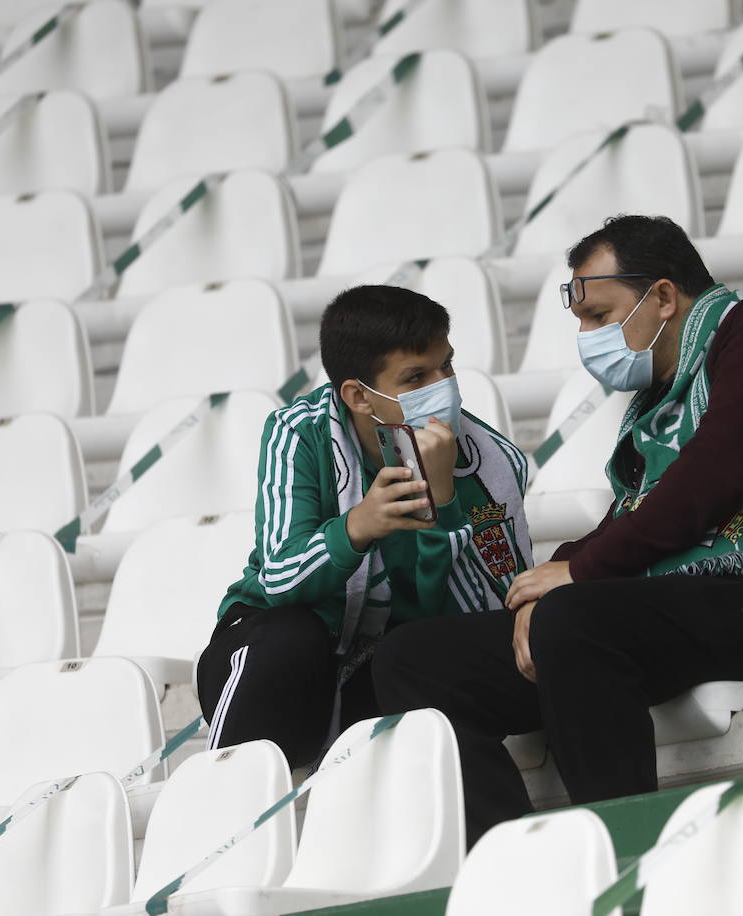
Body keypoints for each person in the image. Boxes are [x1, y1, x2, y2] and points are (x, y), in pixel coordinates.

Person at [372, 214, 743, 844]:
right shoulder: (660, 402)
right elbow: (634, 515)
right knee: (412, 664)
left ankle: (619, 856)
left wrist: (578, 577)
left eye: (599, 316)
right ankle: (517, 863)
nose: (586, 337)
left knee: (575, 619)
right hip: (677, 615)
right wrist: (552, 583)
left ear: (663, 296)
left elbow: (712, 480)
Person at [197, 285, 534, 769]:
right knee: (292, 636)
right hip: (270, 658)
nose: (444, 385)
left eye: (447, 365)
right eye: (417, 376)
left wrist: (442, 505)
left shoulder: (489, 461)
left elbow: (486, 615)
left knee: (417, 658)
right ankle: (233, 803)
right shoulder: (300, 434)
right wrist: (357, 527)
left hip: (383, 666)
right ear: (358, 395)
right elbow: (279, 577)